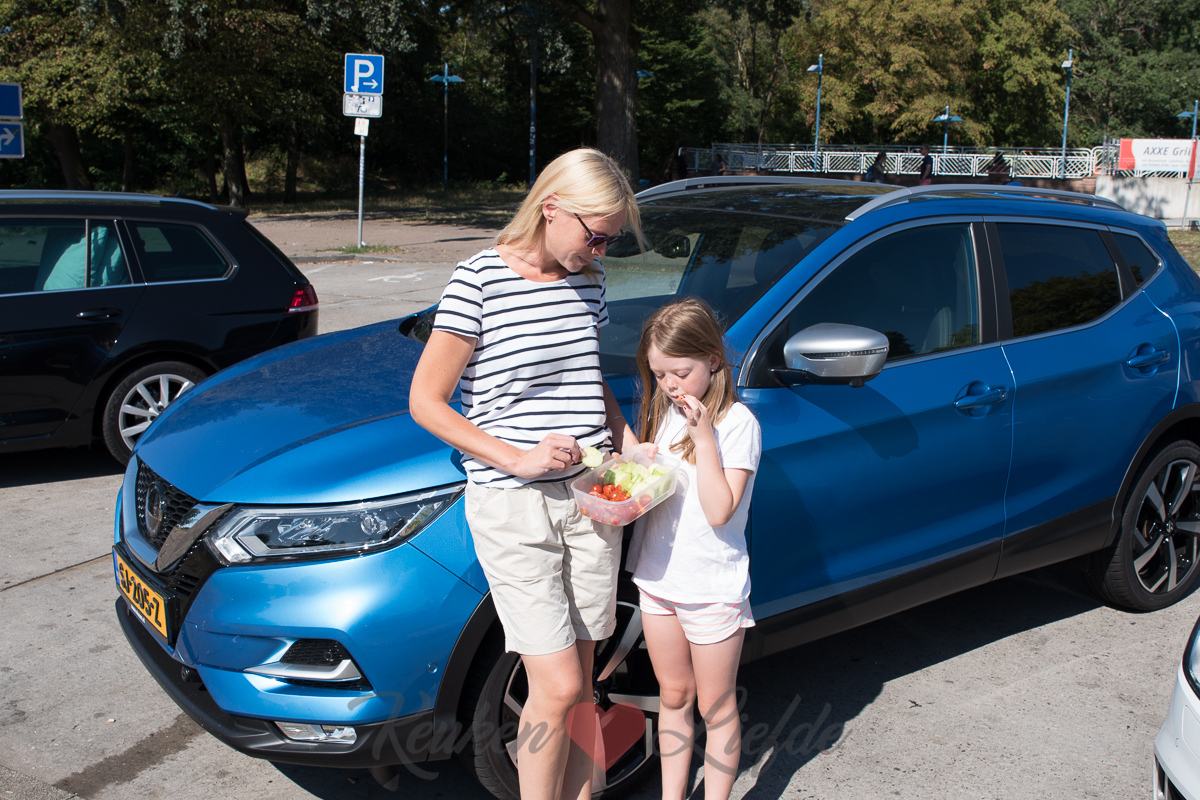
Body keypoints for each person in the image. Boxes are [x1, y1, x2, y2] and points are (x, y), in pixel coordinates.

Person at [409, 147, 647, 800]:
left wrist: (627, 443)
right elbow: (425, 401)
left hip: (594, 497)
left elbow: (586, 376)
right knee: (560, 684)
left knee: (586, 675)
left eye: (610, 241)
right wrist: (517, 457)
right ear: (551, 209)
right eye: (595, 236)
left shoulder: (589, 281)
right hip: (515, 504)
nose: (600, 252)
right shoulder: (478, 280)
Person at [626, 298, 762, 800]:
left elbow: (719, 510)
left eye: (679, 372)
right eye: (659, 375)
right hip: (660, 579)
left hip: (711, 587)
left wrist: (703, 438)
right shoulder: (667, 413)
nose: (670, 385)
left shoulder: (736, 423)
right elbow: (658, 491)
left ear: (713, 359)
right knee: (674, 695)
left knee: (715, 705)